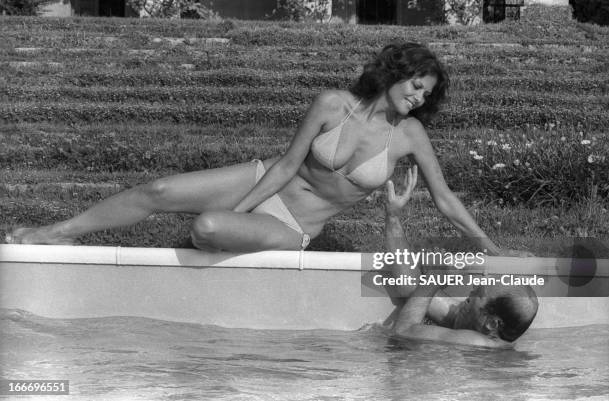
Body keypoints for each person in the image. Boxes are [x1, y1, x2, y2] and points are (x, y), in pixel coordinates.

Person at [6, 43, 517, 254]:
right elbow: (290, 162)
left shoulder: (410, 137)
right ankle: (57, 232)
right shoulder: (332, 103)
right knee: (158, 188)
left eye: (427, 93)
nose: (420, 97)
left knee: (207, 225)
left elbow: (445, 199)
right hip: (262, 178)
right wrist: (246, 199)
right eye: (416, 85)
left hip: (294, 224)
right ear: (395, 75)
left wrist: (491, 247)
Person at [384, 165, 538, 348]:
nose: (470, 291)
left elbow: (402, 333)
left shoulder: (474, 342)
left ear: (491, 323)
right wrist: (393, 216)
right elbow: (412, 288)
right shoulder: (480, 328)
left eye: (478, 295)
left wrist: (433, 281)